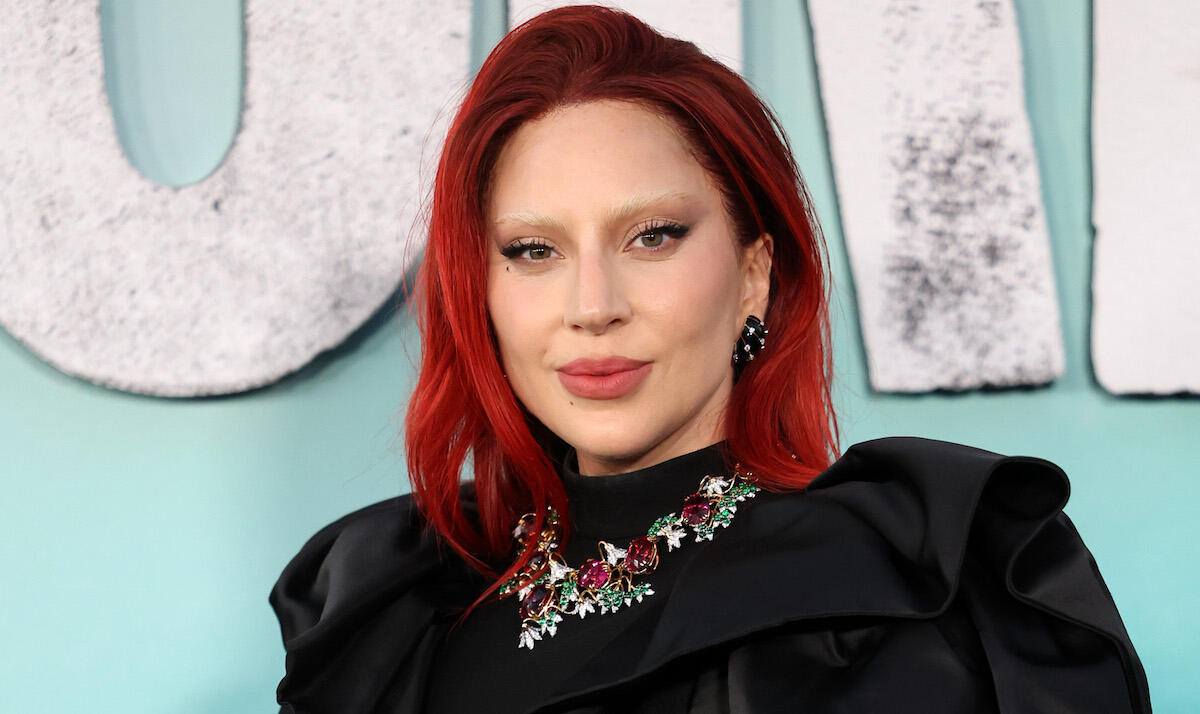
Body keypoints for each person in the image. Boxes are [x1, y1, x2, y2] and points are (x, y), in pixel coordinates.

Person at [268, 6, 1152, 713]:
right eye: (533, 250)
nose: (592, 306)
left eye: (652, 236)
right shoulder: (395, 601)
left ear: (754, 275)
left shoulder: (888, 592)